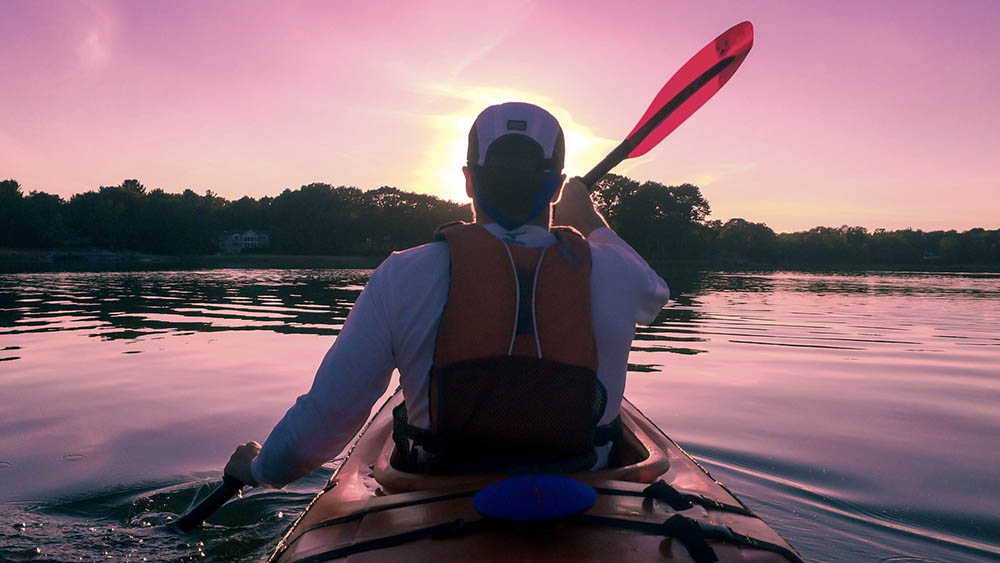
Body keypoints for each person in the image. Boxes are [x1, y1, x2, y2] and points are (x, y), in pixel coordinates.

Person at [225, 102, 669, 486]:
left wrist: (259, 469)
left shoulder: (403, 274)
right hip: (586, 494)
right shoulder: (616, 271)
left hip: (441, 494)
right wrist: (589, 218)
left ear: (468, 181)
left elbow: (324, 422)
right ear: (556, 186)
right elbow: (656, 294)